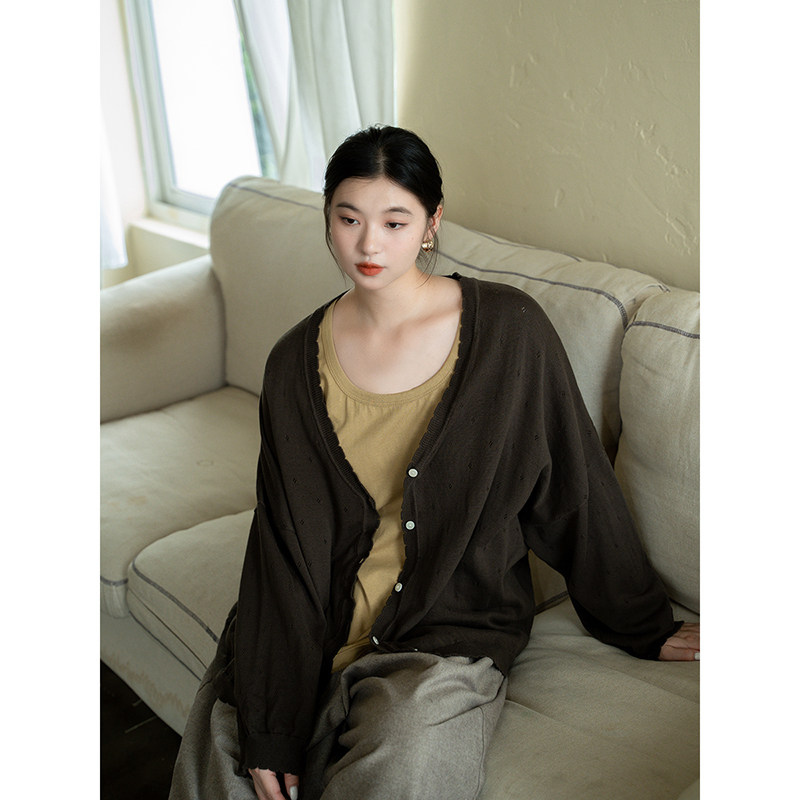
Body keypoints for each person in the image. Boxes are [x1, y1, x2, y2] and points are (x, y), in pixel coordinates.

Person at [169, 125, 700, 800]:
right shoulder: (292, 365)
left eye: (395, 222)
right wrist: (272, 720)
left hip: (447, 630)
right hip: (312, 624)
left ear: (431, 224)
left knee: (406, 756)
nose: (369, 245)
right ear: (327, 219)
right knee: (231, 758)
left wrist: (643, 623)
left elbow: (574, 488)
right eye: (349, 219)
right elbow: (282, 545)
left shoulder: (509, 332)